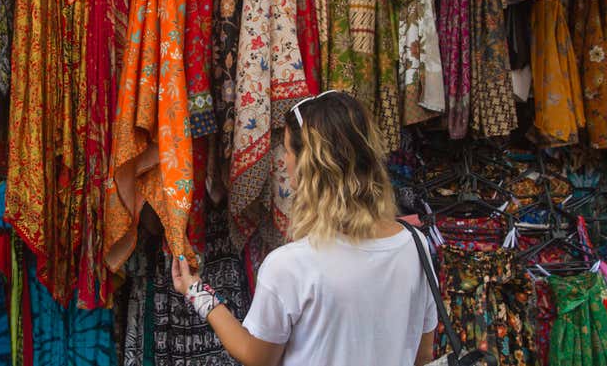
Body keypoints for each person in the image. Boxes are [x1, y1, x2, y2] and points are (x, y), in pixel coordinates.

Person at [172, 91, 437, 366]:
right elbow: (422, 355)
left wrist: (197, 291)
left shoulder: (290, 266)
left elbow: (257, 357)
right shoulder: (416, 246)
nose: (284, 161)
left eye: (287, 149)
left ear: (307, 164)